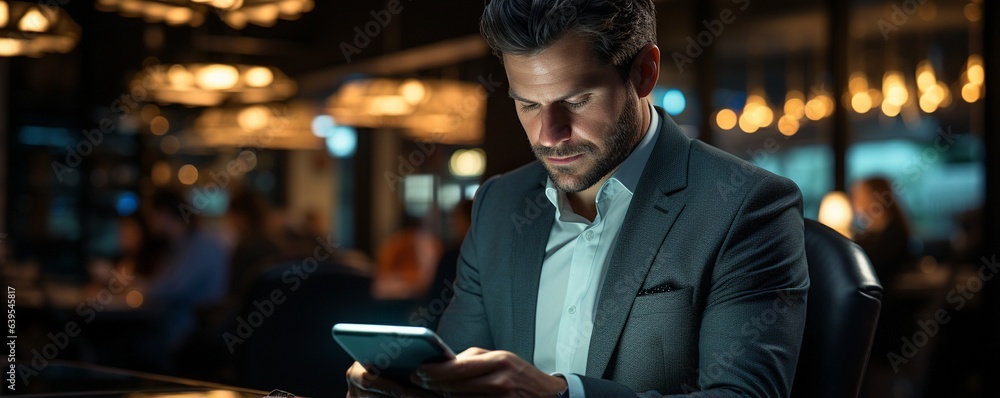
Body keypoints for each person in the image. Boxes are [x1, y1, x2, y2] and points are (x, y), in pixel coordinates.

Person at [346, 0, 809, 396]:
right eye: (527, 104)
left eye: (577, 100)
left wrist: (561, 395)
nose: (550, 136)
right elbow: (454, 378)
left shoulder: (746, 206)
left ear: (644, 72)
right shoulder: (499, 204)